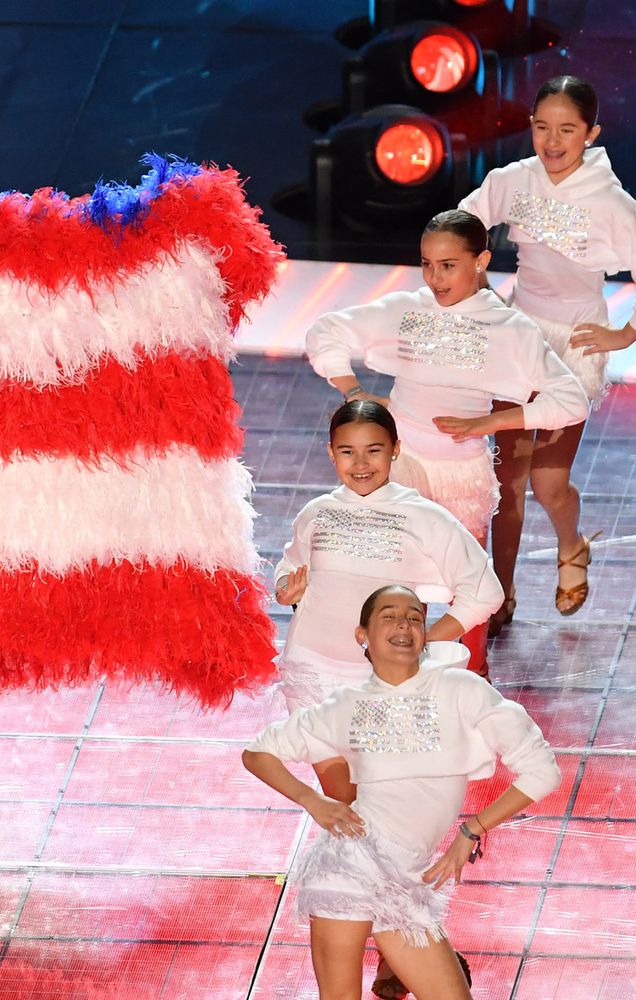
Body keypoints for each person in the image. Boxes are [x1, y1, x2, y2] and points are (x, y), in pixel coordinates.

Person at [304, 209, 588, 675]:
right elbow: (327, 330)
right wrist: (353, 391)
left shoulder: (509, 328)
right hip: (401, 465)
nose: (435, 277)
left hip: (462, 473)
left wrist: (492, 422)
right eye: (427, 264)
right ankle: (384, 670)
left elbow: (570, 399)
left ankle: (470, 675)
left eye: (448, 265)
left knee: (467, 581)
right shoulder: (409, 308)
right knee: (387, 571)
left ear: (481, 261)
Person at [243, 585, 560, 1000]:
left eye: (413, 616)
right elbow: (258, 753)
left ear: (424, 634)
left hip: (408, 878)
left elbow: (541, 771)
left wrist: (473, 830)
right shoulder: (347, 704)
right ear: (364, 635)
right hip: (350, 867)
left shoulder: (461, 690)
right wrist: (313, 801)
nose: (404, 624)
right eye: (389, 616)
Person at [458, 75, 636, 628]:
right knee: (506, 483)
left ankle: (572, 546)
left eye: (567, 130)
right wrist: (479, 290)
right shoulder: (514, 181)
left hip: (575, 345)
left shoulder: (611, 203)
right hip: (519, 339)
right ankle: (501, 595)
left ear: (591, 133)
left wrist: (623, 335)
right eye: (542, 128)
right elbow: (459, 229)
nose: (552, 141)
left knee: (546, 482)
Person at [274, 399, 502, 803]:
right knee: (341, 800)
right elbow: (290, 563)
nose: (360, 463)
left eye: (373, 450)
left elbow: (484, 590)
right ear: (331, 453)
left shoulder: (424, 517)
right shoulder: (317, 512)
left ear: (395, 449)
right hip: (311, 670)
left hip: (380, 682)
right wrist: (286, 589)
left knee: (381, 803)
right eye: (347, 451)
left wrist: (426, 640)